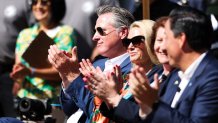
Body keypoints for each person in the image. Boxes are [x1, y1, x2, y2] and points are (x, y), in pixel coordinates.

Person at [130, 6, 218, 123]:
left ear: (181, 40)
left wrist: (154, 104)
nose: (163, 47)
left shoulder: (213, 78)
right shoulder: (178, 74)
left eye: (166, 38)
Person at [48, 5, 135, 122]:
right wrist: (66, 77)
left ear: (123, 32)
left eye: (101, 31)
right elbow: (69, 109)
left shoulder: (134, 70)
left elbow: (98, 115)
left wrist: (73, 77)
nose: (94, 37)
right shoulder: (96, 64)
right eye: (95, 31)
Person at [79, 19, 159, 122]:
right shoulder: (125, 78)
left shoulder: (159, 78)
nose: (130, 47)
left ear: (151, 42)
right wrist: (104, 97)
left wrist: (112, 96)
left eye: (137, 41)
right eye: (127, 42)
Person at [10, 0, 76, 101]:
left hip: (51, 102)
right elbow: (18, 69)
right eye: (35, 2)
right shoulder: (24, 34)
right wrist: (17, 74)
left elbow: (65, 71)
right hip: (25, 100)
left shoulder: (65, 32)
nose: (38, 6)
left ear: (55, 5)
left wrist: (31, 71)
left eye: (44, 2)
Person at [0, 0, 32, 117]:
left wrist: (20, 76)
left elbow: (35, 34)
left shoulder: (26, 2)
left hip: (11, 71)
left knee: (11, 117)